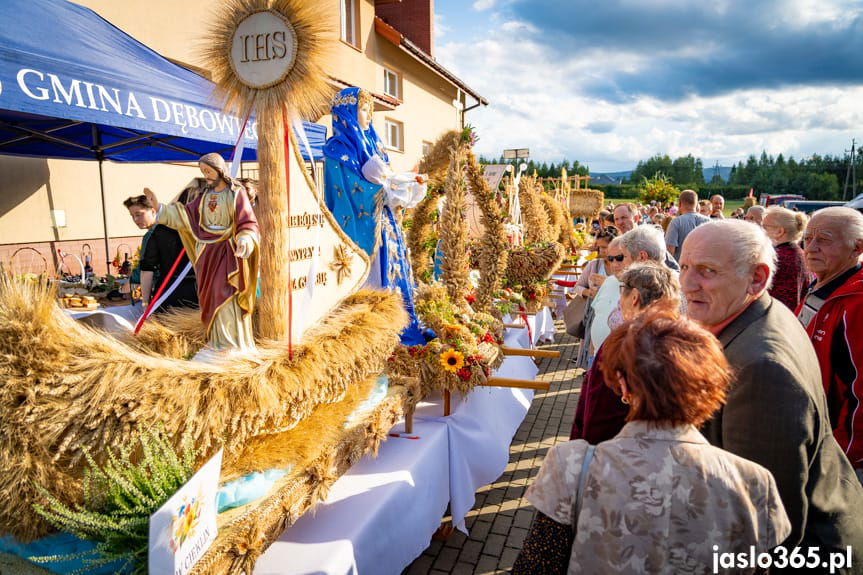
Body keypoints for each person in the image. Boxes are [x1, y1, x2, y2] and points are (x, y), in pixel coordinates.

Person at [514, 310, 791, 574]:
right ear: (709, 384)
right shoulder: (753, 483)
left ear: (622, 384)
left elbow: (537, 566)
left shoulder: (572, 466)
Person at [679, 219, 863, 569]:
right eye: (685, 266)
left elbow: (763, 526)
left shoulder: (762, 372)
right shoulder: (755, 314)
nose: (687, 283)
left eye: (707, 271)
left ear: (757, 278)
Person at [322, 87, 427, 345]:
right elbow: (349, 190)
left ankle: (398, 326)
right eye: (363, 109)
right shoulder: (336, 149)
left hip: (385, 224)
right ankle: (374, 335)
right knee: (372, 281)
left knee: (392, 275)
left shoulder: (373, 144)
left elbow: (385, 180)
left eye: (370, 110)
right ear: (347, 112)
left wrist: (405, 184)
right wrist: (388, 188)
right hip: (362, 226)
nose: (369, 115)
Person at [143, 152, 259, 353]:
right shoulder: (204, 196)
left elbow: (248, 222)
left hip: (227, 254)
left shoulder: (235, 193)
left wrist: (244, 238)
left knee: (227, 297)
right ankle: (216, 342)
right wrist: (159, 208)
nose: (206, 175)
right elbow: (183, 215)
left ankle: (231, 344)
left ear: (220, 170)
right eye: (203, 172)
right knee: (210, 298)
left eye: (209, 171)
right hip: (207, 256)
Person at [570, 261, 680, 443]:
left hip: (620, 450)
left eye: (621, 292)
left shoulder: (623, 344)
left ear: (634, 297)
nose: (619, 302)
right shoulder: (684, 340)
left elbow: (597, 411)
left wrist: (584, 452)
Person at [796, 207, 863, 482]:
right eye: (807, 238)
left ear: (857, 247)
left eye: (823, 239)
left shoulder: (856, 303)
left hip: (840, 459)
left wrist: (840, 459)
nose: (810, 248)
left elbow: (859, 391)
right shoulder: (823, 286)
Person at [123, 194, 197, 312]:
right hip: (198, 292)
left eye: (139, 214)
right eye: (132, 216)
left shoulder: (156, 233)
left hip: (169, 291)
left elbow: (146, 270)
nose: (135, 220)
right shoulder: (203, 232)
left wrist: (145, 303)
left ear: (153, 211)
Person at [763, 206, 808, 311]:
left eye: (764, 227)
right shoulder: (801, 253)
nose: (760, 230)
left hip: (774, 318)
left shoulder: (776, 258)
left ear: (779, 232)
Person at [587, 237, 625, 355]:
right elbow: (598, 315)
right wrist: (591, 353)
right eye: (610, 259)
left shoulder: (638, 288)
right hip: (598, 356)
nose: (614, 264)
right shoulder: (608, 282)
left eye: (619, 258)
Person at [664, 189, 709, 262]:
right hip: (703, 269)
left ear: (680, 203)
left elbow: (669, 253)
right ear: (696, 204)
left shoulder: (676, 222)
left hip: (681, 269)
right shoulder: (709, 222)